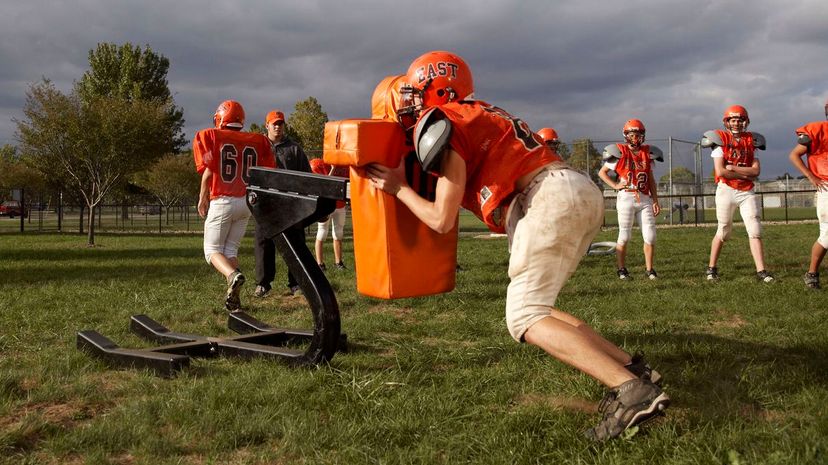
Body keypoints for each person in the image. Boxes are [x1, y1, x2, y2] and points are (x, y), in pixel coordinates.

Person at [366, 51, 669, 441]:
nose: (412, 103)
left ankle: (631, 390)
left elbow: (441, 219)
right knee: (540, 308)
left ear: (439, 89)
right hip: (570, 190)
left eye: (417, 92)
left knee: (523, 317)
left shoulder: (447, 119)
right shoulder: (480, 111)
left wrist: (399, 188)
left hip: (546, 198)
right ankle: (633, 368)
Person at [193, 100, 275, 311]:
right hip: (246, 202)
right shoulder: (258, 141)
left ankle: (232, 275)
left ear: (221, 117)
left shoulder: (213, 136)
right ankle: (233, 300)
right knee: (230, 249)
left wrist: (203, 196)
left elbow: (209, 170)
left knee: (211, 250)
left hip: (223, 199)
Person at [703, 105, 774, 282]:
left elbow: (756, 171)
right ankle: (711, 268)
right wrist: (745, 172)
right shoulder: (720, 140)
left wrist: (734, 167)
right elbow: (721, 172)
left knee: (755, 230)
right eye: (733, 120)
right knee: (724, 230)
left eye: (740, 120)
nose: (736, 123)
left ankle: (761, 271)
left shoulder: (752, 141)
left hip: (747, 191)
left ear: (746, 121)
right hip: (726, 190)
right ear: (727, 122)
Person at [253, 110, 312, 297]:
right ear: (267, 126)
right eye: (274, 123)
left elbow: (307, 176)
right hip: (265, 203)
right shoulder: (258, 146)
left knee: (296, 242)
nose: (278, 126)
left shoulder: (294, 149)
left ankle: (296, 283)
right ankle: (263, 284)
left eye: (280, 123)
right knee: (264, 243)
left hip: (290, 204)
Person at [598, 120, 661, 280]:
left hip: (644, 197)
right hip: (626, 197)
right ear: (626, 136)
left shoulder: (648, 153)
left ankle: (650, 270)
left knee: (651, 236)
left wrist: (655, 200)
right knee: (624, 236)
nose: (635, 138)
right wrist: (615, 185)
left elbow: (651, 180)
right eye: (632, 135)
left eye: (638, 135)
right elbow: (602, 172)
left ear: (643, 136)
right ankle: (621, 269)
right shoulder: (618, 152)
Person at [788, 99, 828, 289]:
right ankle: (812, 274)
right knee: (827, 235)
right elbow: (794, 154)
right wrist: (811, 176)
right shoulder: (817, 130)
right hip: (826, 186)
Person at [309, 157, 349, 271]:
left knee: (338, 233)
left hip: (340, 205)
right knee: (322, 233)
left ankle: (338, 262)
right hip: (326, 205)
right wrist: (332, 169)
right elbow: (325, 185)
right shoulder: (319, 164)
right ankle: (320, 264)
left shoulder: (346, 166)